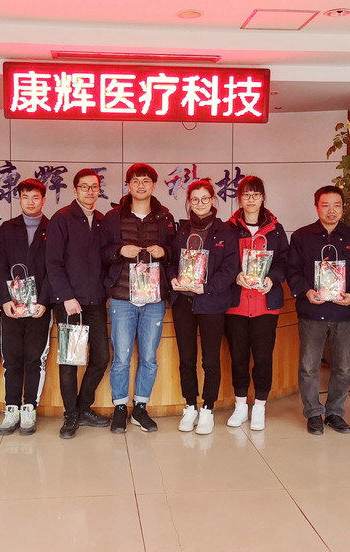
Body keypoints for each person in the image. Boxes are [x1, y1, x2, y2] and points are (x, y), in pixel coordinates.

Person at [287, 185, 350, 435]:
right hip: (312, 311)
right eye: (325, 205)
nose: (331, 210)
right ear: (316, 208)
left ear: (343, 208)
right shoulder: (302, 237)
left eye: (336, 205)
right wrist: (306, 291)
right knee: (309, 366)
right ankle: (313, 412)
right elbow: (293, 271)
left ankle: (335, 412)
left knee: (343, 368)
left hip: (343, 313)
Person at [101, 163, 175, 433]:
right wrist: (119, 251)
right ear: (128, 185)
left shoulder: (165, 217)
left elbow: (175, 251)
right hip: (122, 297)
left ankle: (140, 408)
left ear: (154, 185)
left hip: (154, 299)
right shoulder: (113, 217)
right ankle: (120, 407)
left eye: (146, 181)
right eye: (135, 181)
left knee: (149, 358)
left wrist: (164, 252)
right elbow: (101, 251)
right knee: (121, 357)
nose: (141, 185)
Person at [169, 179, 238, 434]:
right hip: (183, 302)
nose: (200, 204)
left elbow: (230, 268)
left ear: (213, 200)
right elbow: (171, 261)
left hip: (211, 302)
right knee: (186, 358)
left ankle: (208, 408)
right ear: (189, 202)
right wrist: (172, 278)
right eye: (195, 199)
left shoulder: (225, 231)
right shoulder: (181, 230)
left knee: (210, 359)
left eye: (205, 199)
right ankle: (190, 406)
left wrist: (207, 287)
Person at [46, 169, 111, 439]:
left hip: (95, 301)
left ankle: (83, 407)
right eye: (84, 187)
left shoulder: (103, 221)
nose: (90, 191)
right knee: (70, 361)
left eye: (94, 187)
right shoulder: (61, 219)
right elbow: (53, 262)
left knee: (102, 356)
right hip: (69, 303)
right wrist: (66, 296)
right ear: (75, 190)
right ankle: (70, 414)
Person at [224, 176, 289, 431]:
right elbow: (221, 261)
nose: (251, 199)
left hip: (265, 305)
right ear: (239, 198)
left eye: (255, 194)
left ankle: (260, 406)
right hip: (236, 305)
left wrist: (273, 278)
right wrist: (235, 275)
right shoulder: (228, 229)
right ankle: (241, 405)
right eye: (246, 195)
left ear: (263, 198)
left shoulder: (276, 229)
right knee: (238, 358)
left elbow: (285, 261)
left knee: (263, 358)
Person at [0, 179, 51, 436]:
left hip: (39, 308)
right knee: (12, 358)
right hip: (12, 307)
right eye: (25, 197)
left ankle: (29, 409)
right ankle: (11, 408)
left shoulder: (52, 228)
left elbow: (54, 268)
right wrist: (4, 299)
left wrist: (44, 301)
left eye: (35, 197)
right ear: (19, 199)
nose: (30, 202)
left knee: (34, 359)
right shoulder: (7, 228)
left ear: (43, 200)